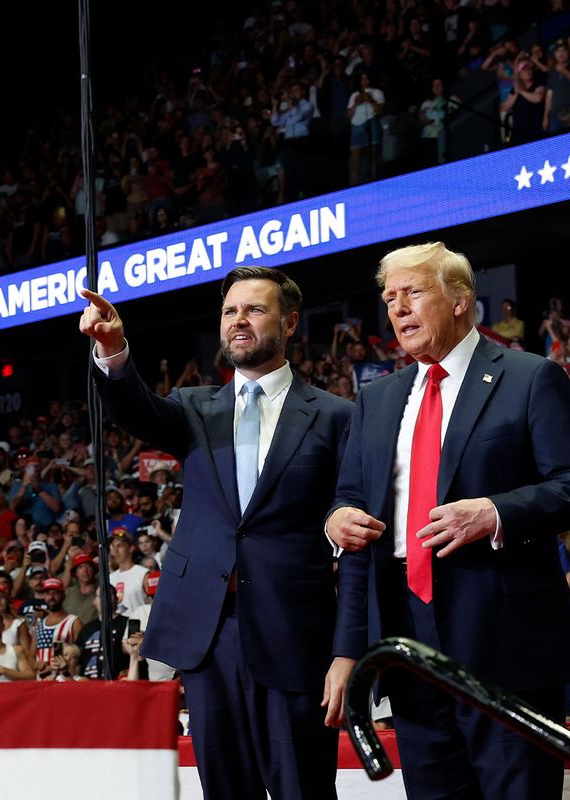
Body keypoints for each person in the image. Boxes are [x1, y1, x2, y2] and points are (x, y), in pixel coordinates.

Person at [326, 242, 570, 800]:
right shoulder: (377, 399)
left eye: (413, 292)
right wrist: (336, 520)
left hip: (505, 635)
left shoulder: (530, 377)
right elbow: (350, 503)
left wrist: (497, 511)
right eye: (389, 298)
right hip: (406, 640)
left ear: (460, 299)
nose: (398, 309)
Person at [80, 266, 353, 800]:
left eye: (254, 309)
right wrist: (113, 350)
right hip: (208, 632)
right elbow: (136, 410)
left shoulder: (337, 415)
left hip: (294, 629)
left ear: (290, 323)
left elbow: (349, 507)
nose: (239, 320)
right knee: (225, 789)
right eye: (230, 311)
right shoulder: (191, 406)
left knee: (304, 786)